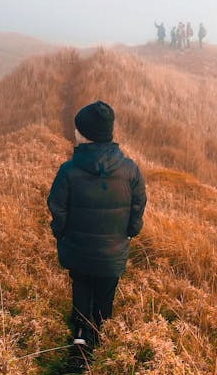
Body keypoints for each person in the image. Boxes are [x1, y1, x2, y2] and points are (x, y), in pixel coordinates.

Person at [47, 101, 147, 347]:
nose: (75, 133)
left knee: (81, 285)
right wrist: (132, 231)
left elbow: (57, 206)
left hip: (78, 248)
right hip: (113, 251)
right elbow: (138, 204)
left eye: (77, 130)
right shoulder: (130, 169)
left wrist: (60, 233)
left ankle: (80, 333)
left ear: (84, 135)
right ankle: (100, 333)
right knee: (106, 290)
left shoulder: (68, 170)